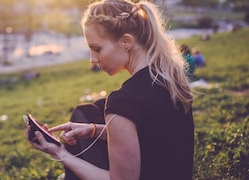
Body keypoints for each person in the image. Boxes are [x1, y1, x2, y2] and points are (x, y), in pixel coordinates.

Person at [26, 1, 194, 179]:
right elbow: (152, 138)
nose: (92, 59)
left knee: (85, 112)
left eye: (97, 49)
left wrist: (60, 153)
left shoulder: (124, 100)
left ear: (126, 42)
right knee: (91, 111)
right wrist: (93, 130)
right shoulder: (170, 79)